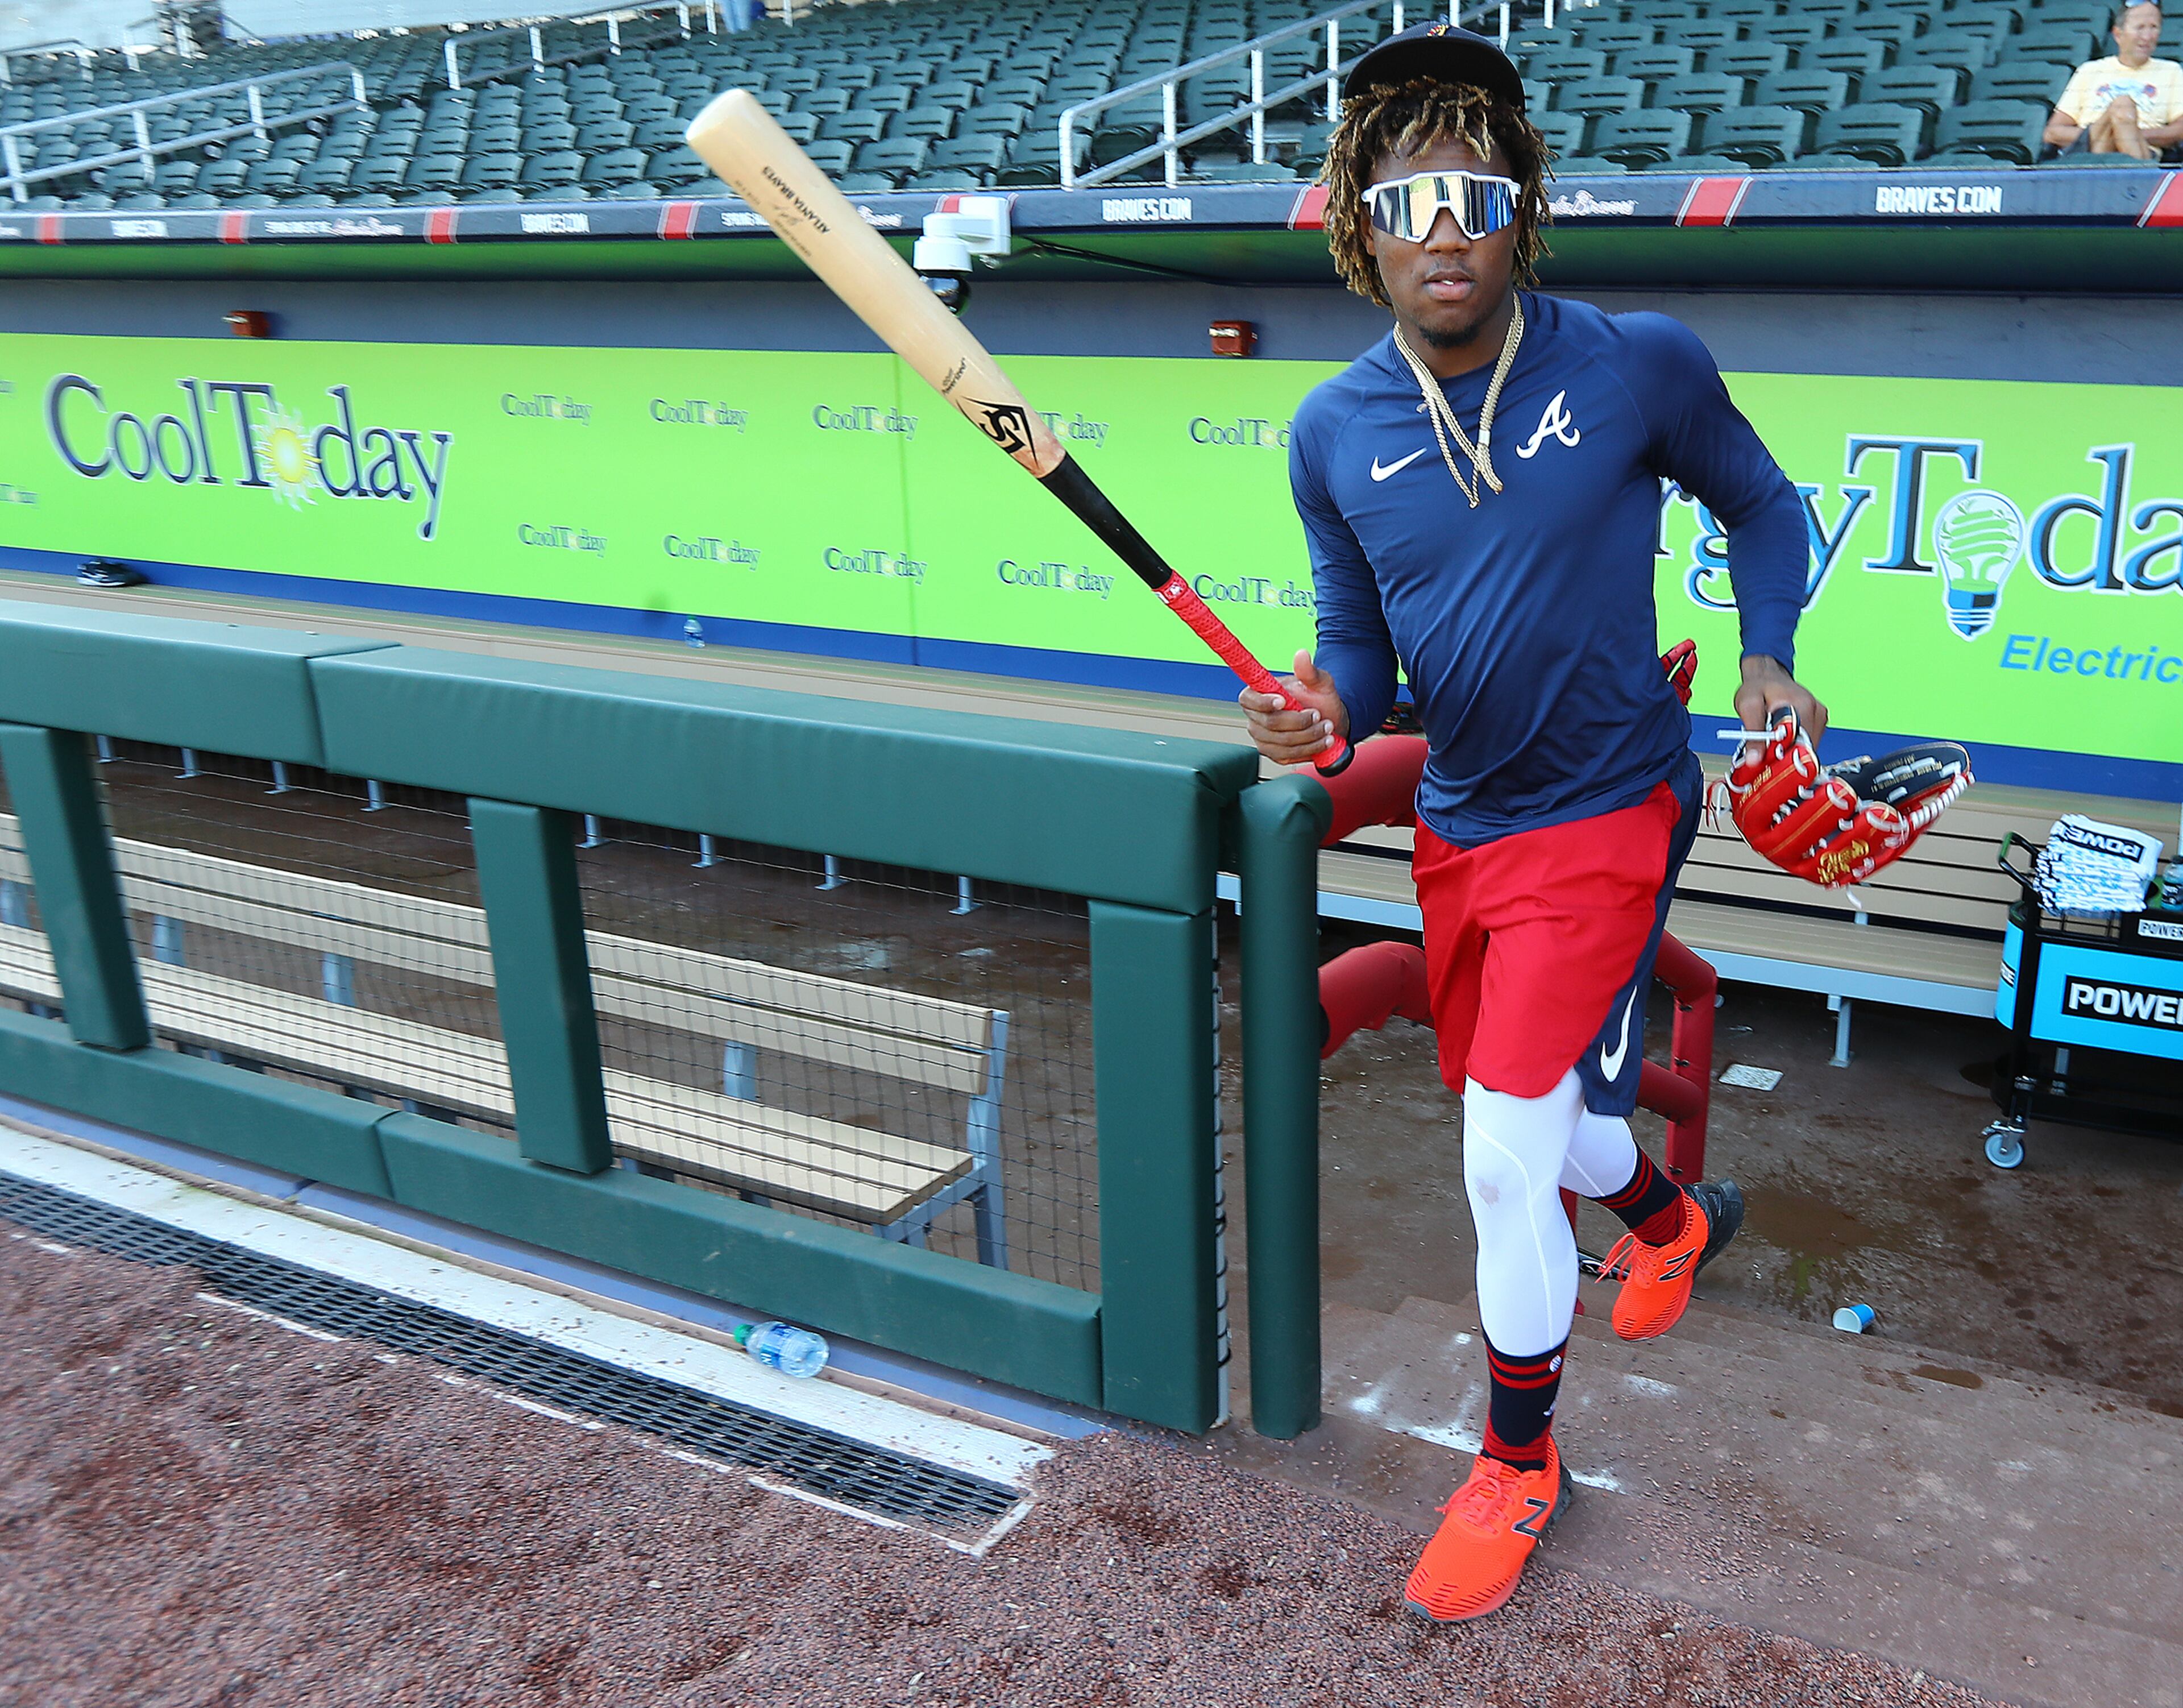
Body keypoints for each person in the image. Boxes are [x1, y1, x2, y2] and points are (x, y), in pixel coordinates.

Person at [1241, 22, 1823, 1624]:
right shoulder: (1327, 431)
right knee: (1556, 1127)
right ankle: (1667, 1211)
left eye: (1477, 193)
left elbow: (1764, 502)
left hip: (1613, 803)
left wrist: (1768, 651)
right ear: (1358, 222)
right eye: (1408, 200)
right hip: (1466, 819)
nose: (1446, 230)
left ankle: (1518, 1457)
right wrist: (1319, 713)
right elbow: (1359, 650)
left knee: (1503, 1151)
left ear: (1527, 211)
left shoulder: (1634, 361)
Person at [2043, 1, 2183, 159]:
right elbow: (2053, 132)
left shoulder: (2171, 71)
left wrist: (2129, 132)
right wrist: (2114, 129)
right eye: (2140, 28)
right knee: (2121, 107)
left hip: (2142, 150)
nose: (2147, 37)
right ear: (2118, 34)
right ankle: (2138, 179)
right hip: (2088, 153)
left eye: (2154, 27)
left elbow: (2181, 129)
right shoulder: (2089, 71)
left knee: (2122, 108)